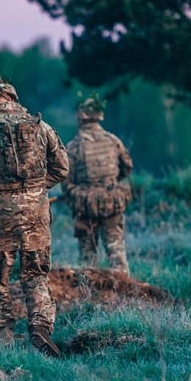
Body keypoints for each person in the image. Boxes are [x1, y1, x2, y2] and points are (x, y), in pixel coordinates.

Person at [0, 75, 69, 357]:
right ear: (12, 96)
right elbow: (62, 168)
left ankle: (2, 343)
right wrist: (34, 190)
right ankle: (41, 327)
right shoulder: (40, 125)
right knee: (36, 274)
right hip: (36, 215)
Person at [62, 95, 134, 274]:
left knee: (88, 257)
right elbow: (127, 168)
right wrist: (110, 184)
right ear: (99, 115)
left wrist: (76, 195)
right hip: (112, 202)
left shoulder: (73, 146)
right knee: (116, 251)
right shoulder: (113, 140)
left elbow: (66, 178)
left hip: (85, 206)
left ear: (80, 117)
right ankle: (123, 291)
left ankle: (91, 294)